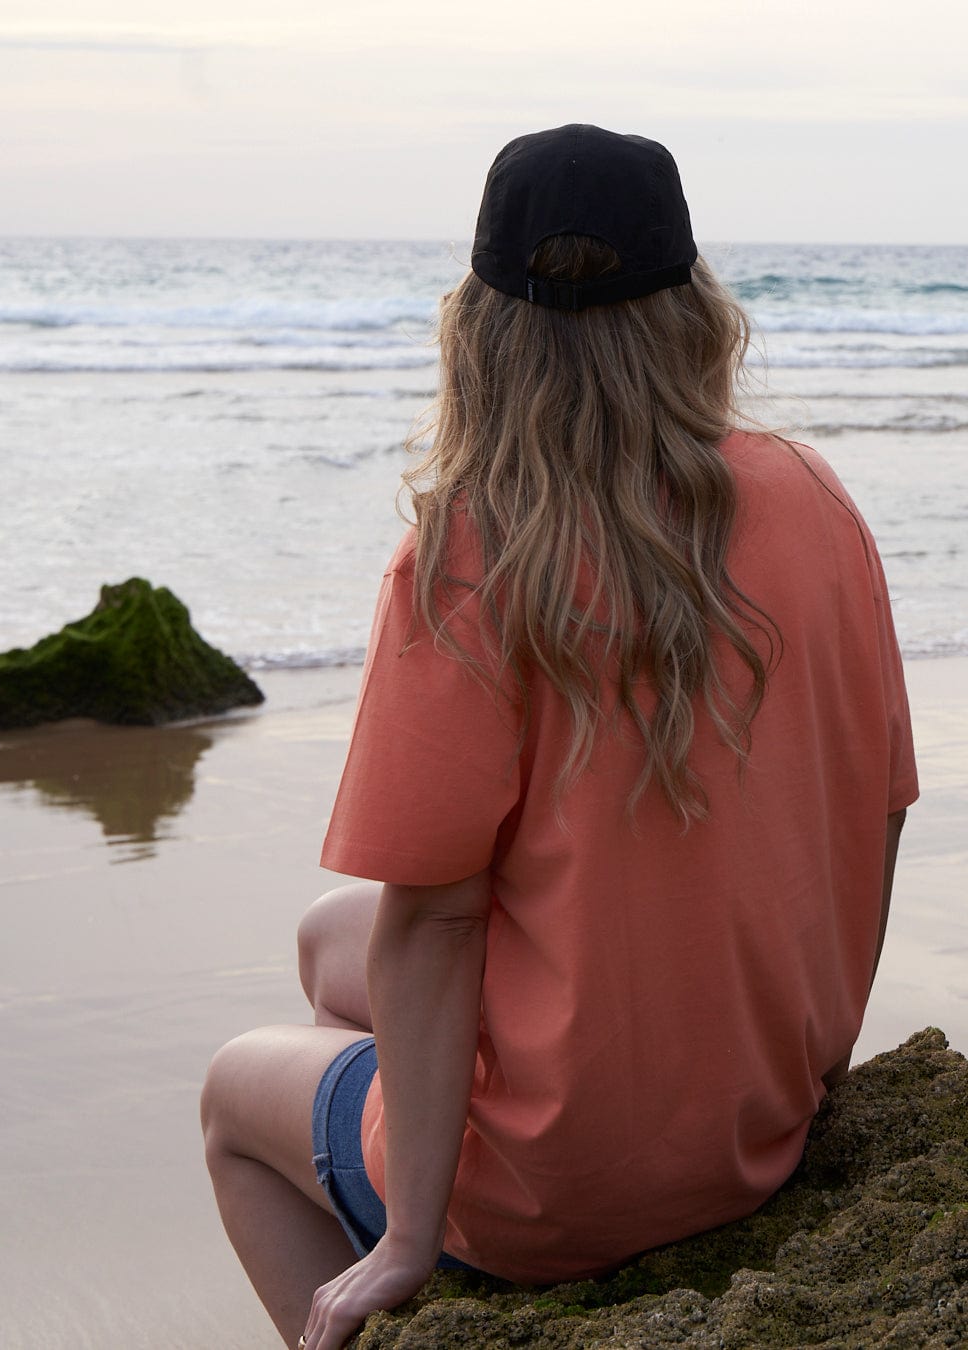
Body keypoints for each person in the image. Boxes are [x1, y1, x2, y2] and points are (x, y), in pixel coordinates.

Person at [201, 125, 918, 1350]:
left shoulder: (476, 551)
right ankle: (431, 1120)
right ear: (696, 308)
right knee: (329, 947)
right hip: (754, 1126)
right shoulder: (814, 496)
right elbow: (884, 808)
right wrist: (818, 1066)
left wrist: (414, 1235)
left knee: (230, 1091)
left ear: (482, 325)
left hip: (552, 1196)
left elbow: (437, 915)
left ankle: (393, 1253)